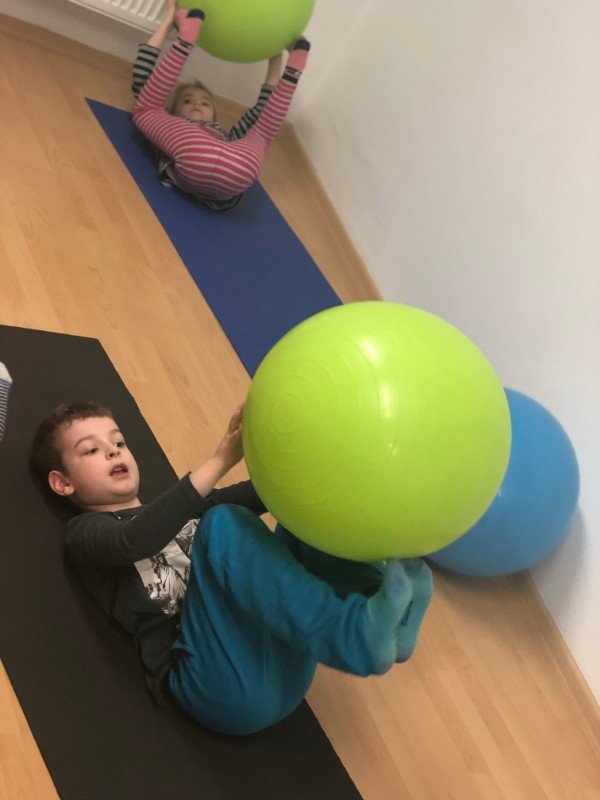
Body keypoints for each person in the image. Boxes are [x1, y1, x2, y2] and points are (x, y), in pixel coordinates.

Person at [31, 401, 433, 735]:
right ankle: (354, 635)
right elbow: (134, 540)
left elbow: (267, 493)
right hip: (219, 688)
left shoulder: (185, 513)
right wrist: (220, 459)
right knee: (223, 522)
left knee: (298, 513)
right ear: (63, 483)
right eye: (91, 450)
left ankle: (383, 618)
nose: (114, 451)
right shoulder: (85, 533)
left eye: (118, 442)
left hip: (281, 661)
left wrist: (318, 459)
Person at [131, 1, 310, 211]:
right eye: (187, 100)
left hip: (231, 162)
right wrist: (168, 20)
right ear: (172, 111)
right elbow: (144, 78)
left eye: (205, 102)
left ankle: (185, 41)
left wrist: (275, 49)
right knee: (262, 134)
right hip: (241, 170)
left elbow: (263, 106)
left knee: (146, 108)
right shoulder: (168, 126)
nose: (197, 103)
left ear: (215, 116)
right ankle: (293, 72)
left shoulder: (227, 136)